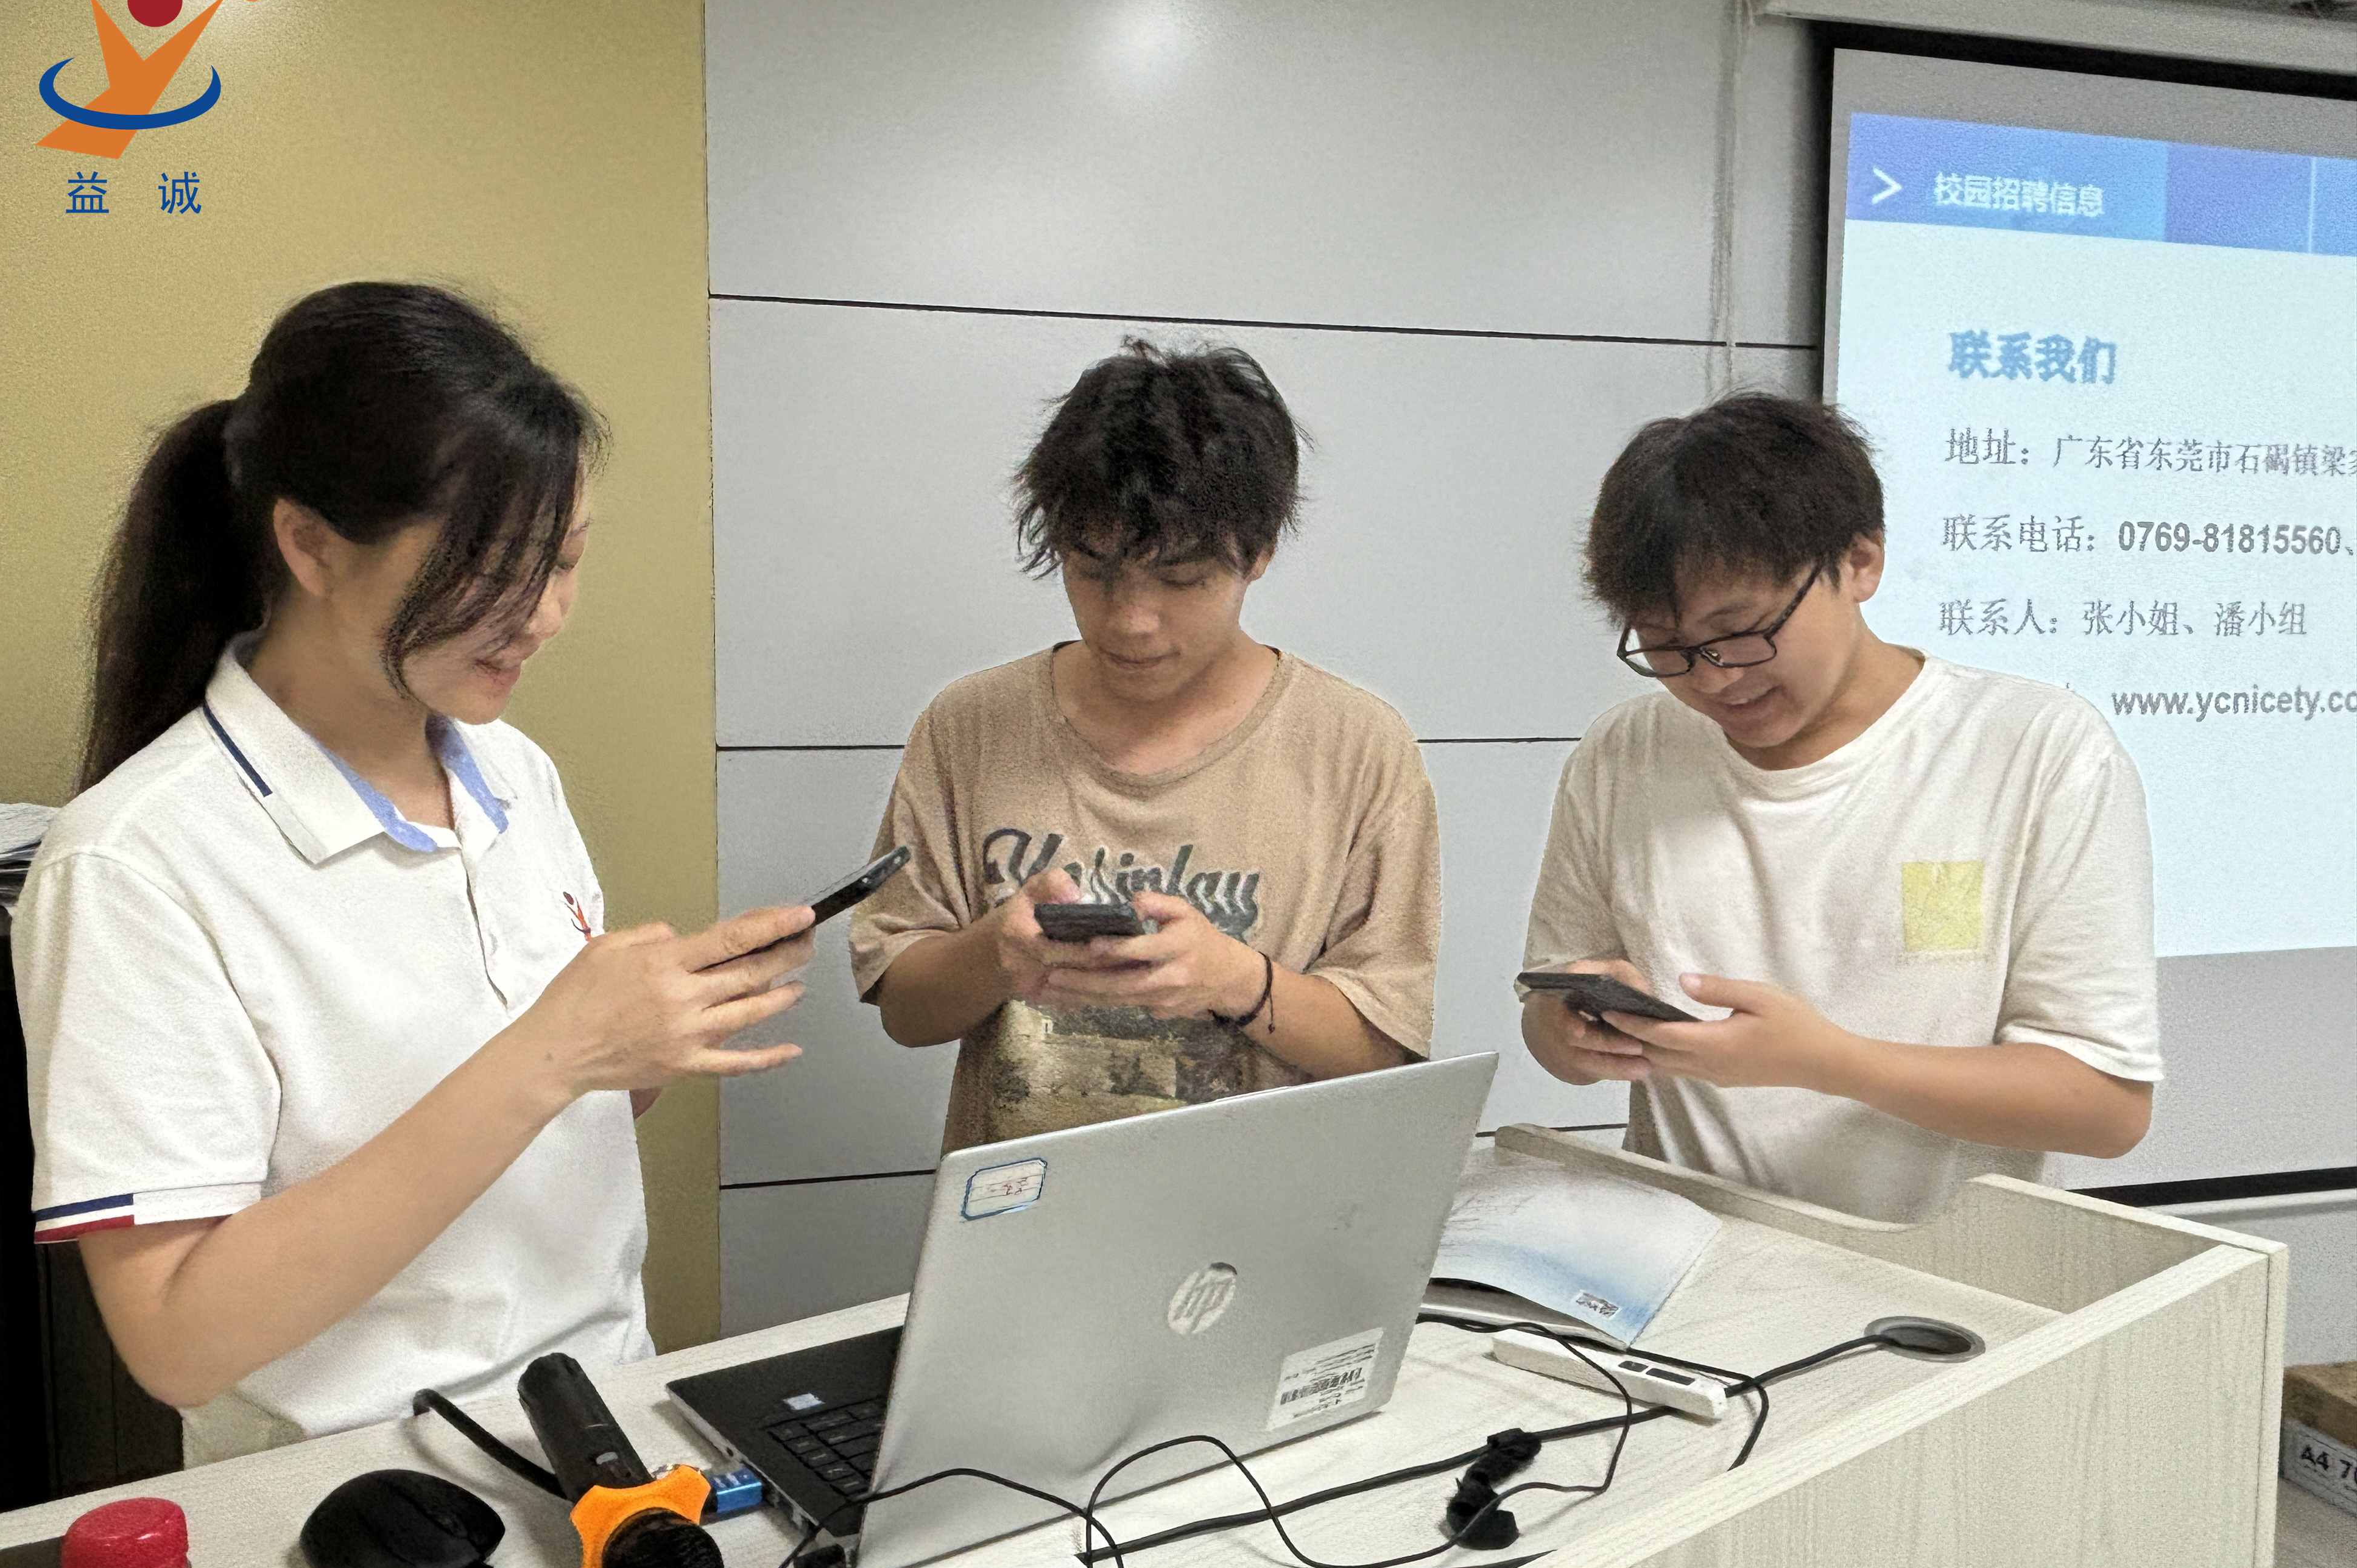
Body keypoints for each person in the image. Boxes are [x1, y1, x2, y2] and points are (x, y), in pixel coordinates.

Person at [16, 283, 815, 1463]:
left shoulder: (513, 773)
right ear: (310, 545)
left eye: (566, 562)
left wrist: (636, 1046)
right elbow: (178, 1338)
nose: (543, 616)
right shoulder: (133, 862)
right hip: (358, 1491)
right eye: (493, 568)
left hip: (609, 1422)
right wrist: (558, 1051)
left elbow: (527, 1117)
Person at [1519, 392, 2158, 1223]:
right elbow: (1550, 1021)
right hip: (1679, 1254)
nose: (1713, 677)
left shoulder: (2034, 749)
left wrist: (1825, 1062)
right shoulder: (1625, 753)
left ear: (1861, 562)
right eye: (1667, 647)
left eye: (1740, 630)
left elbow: (2105, 1107)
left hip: (1940, 1274)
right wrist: (1567, 1032)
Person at [849, 339, 1441, 1152]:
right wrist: (998, 954)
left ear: (1258, 553)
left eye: (1182, 579)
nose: (1131, 621)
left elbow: (1385, 1048)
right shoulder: (969, 726)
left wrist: (1234, 980)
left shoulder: (1356, 746)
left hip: (1261, 1210)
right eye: (1093, 572)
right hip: (1027, 1208)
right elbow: (905, 1013)